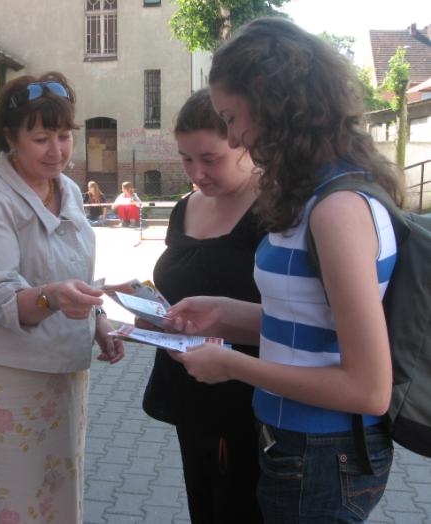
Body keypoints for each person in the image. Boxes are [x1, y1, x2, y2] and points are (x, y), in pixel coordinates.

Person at [167, 18, 402, 523]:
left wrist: (231, 365)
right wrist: (222, 314)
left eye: (232, 118)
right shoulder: (312, 192)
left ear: (271, 102)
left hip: (322, 451)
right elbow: (314, 326)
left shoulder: (336, 209)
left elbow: (368, 388)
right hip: (297, 446)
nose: (234, 136)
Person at [0, 71, 125, 524]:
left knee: (59, 496)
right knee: (13, 503)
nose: (57, 151)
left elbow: (76, 272)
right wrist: (51, 297)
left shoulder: (65, 189)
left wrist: (98, 320)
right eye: (41, 138)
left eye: (65, 136)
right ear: (10, 138)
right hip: (10, 382)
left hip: (64, 374)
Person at [140, 89, 264, 523]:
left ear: (243, 140)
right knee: (204, 507)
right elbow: (184, 283)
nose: (197, 174)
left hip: (248, 402)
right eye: (186, 159)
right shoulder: (185, 208)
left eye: (210, 159)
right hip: (189, 394)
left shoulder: (276, 210)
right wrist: (149, 310)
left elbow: (301, 318)